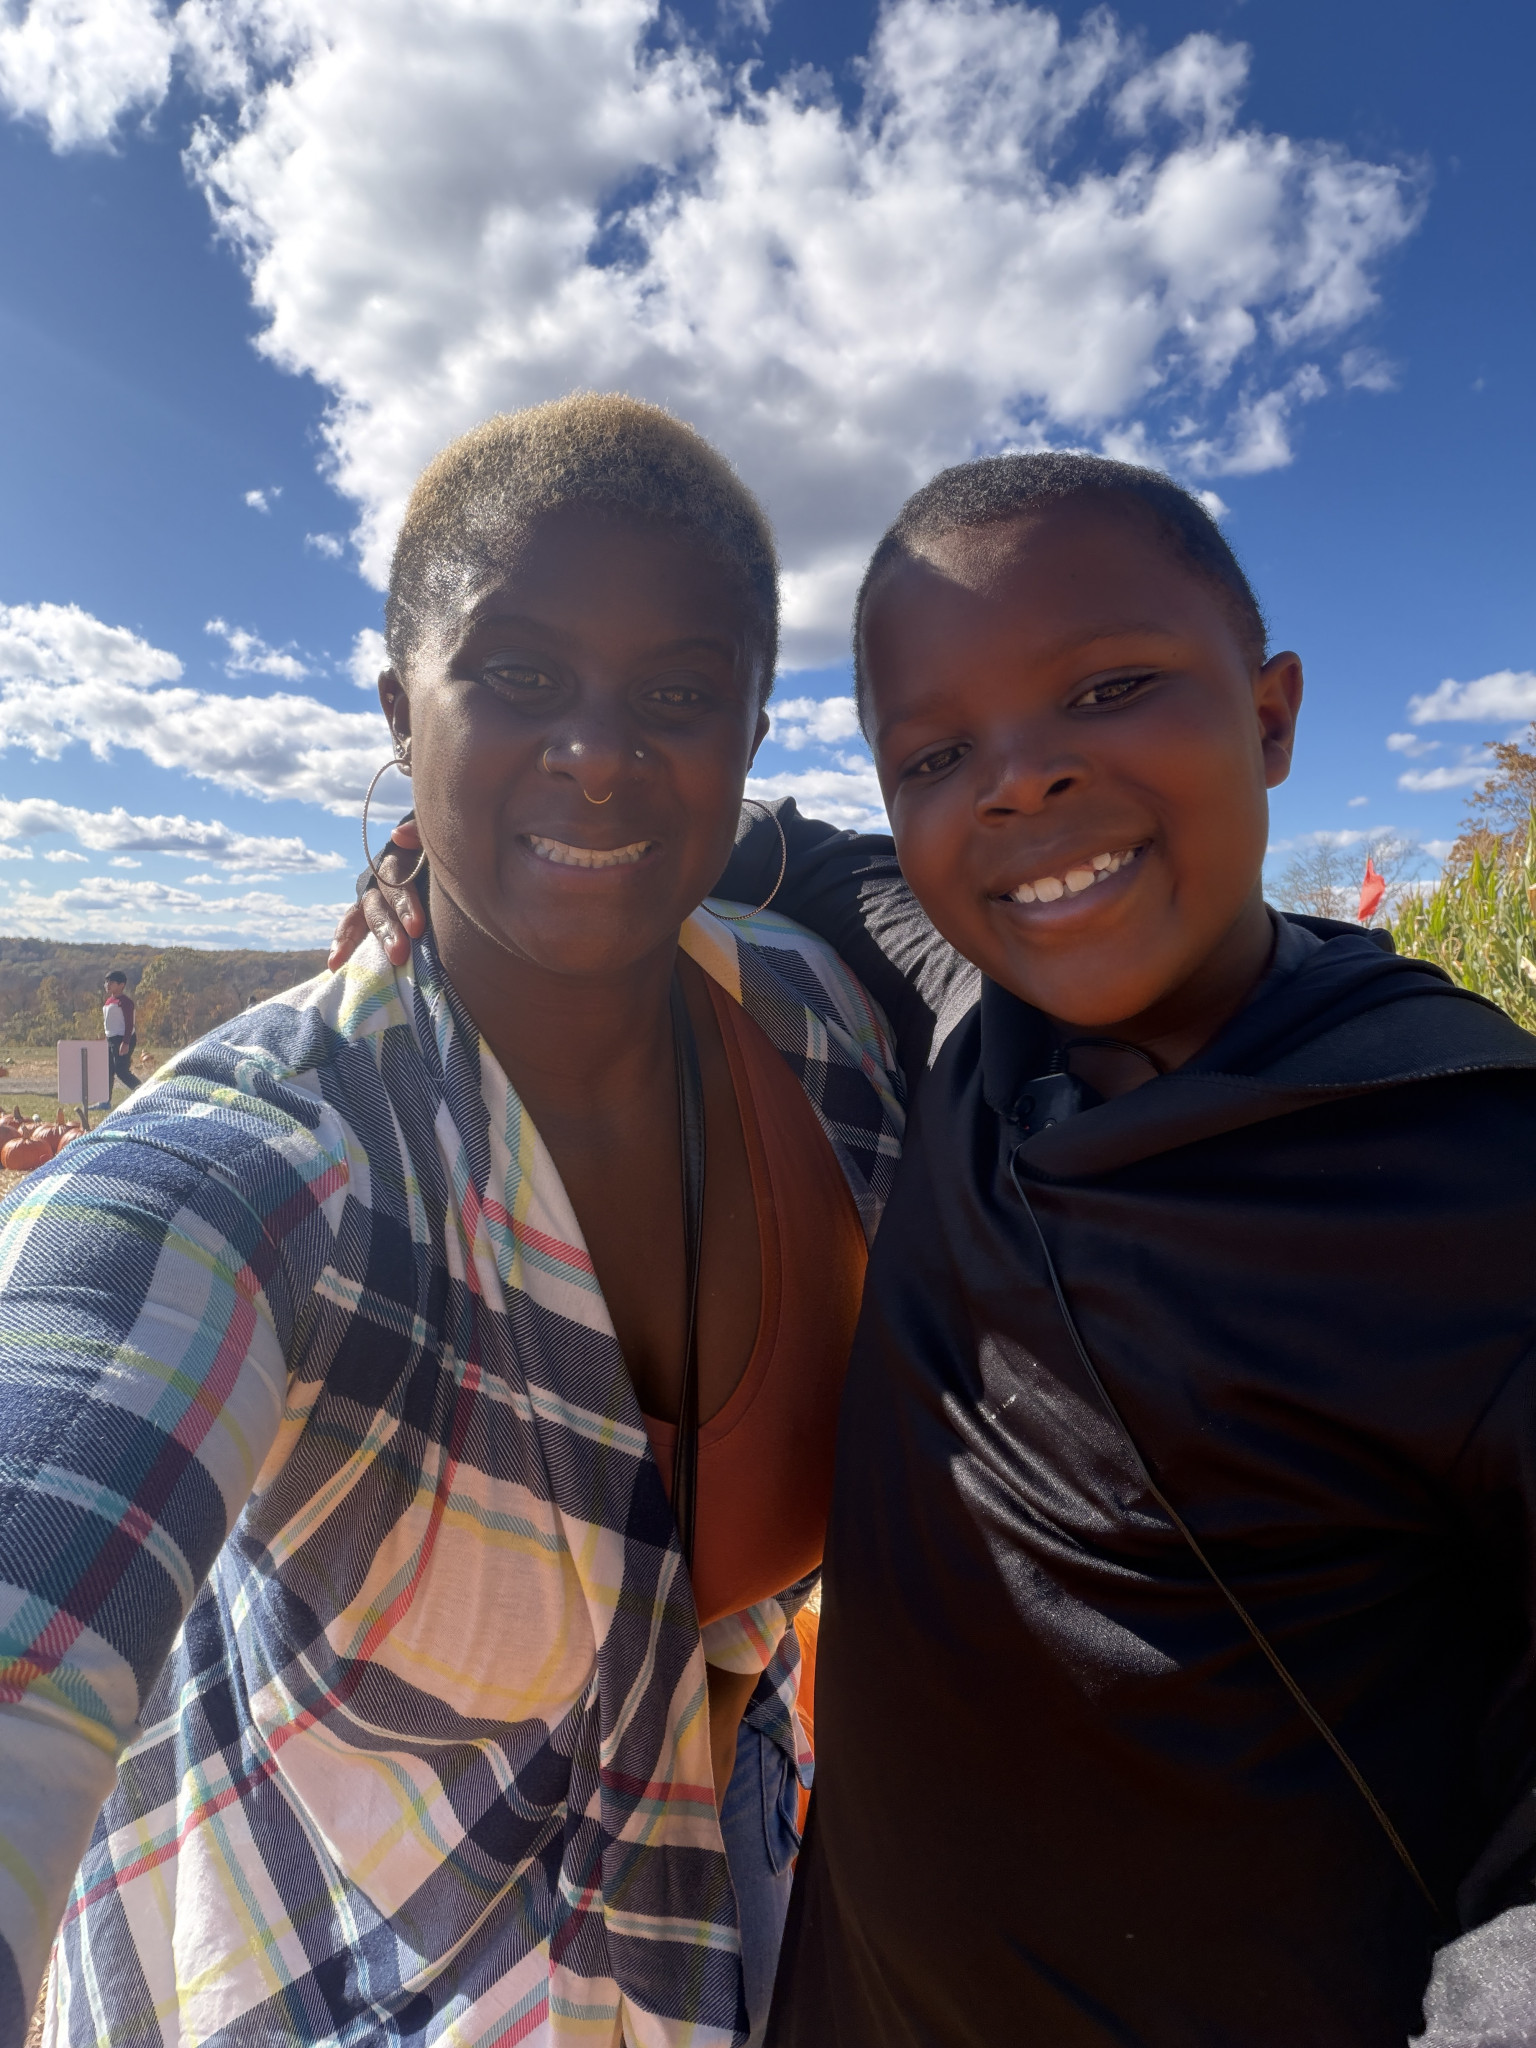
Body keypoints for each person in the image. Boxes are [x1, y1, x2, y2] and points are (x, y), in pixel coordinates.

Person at [338, 453, 1536, 2045]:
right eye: (936, 753)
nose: (1019, 782)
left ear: (1270, 716)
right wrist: (449, 846)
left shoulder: (1473, 1175)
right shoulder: (968, 1009)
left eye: (1108, 689)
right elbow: (747, 837)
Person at [0, 396, 904, 2048]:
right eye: (519, 674)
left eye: (679, 695)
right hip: (317, 1970)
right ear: (397, 705)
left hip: (738, 1904)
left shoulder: (830, 1042)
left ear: (751, 737)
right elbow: (46, 1532)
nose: (600, 752)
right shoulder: (269, 1159)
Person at [100, 970, 138, 1098]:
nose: (107, 985)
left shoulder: (125, 1002)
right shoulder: (108, 1001)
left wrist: (125, 1042)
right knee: (108, 1070)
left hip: (122, 1038)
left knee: (121, 1071)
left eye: (111, 982)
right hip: (111, 1039)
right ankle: (105, 1100)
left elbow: (129, 1023)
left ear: (121, 985)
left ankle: (143, 1092)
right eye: (106, 982)